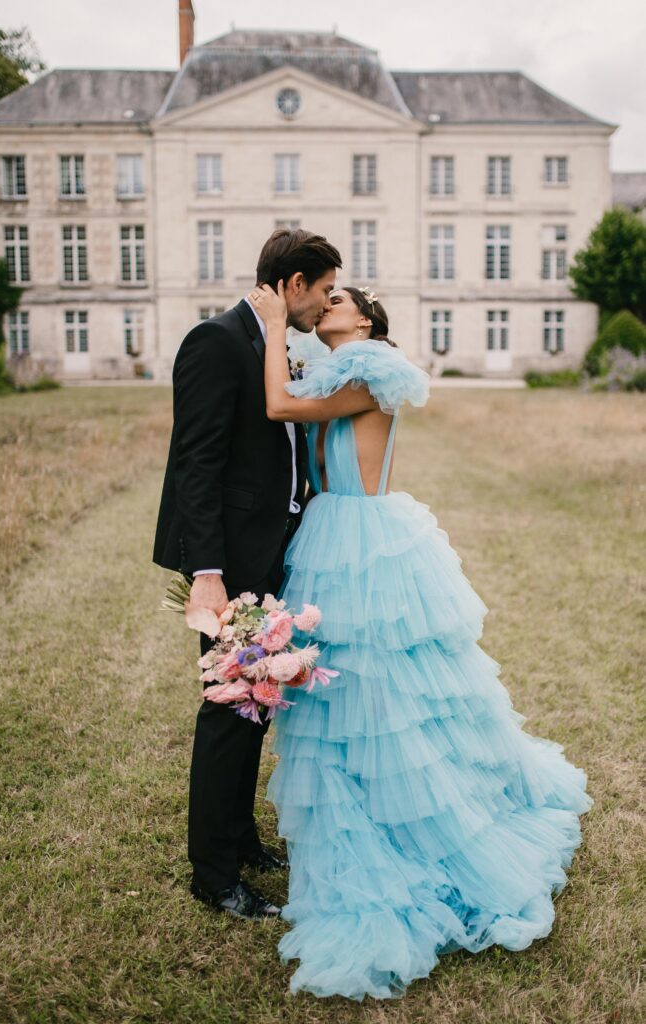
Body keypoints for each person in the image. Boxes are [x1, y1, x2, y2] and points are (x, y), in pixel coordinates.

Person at [249, 281, 593, 999]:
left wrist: (276, 322)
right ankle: (359, 801)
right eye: (326, 297)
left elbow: (280, 406)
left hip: (364, 536)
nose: (328, 305)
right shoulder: (334, 370)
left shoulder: (373, 370)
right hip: (326, 531)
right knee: (334, 684)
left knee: (384, 683)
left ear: (366, 320)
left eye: (340, 299)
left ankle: (411, 814)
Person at [152, 229, 342, 921]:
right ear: (294, 285)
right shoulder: (216, 341)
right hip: (229, 563)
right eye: (323, 292)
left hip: (269, 554)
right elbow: (195, 462)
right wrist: (207, 572)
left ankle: (241, 841)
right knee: (228, 707)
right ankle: (214, 875)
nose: (326, 306)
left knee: (255, 704)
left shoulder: (272, 342)